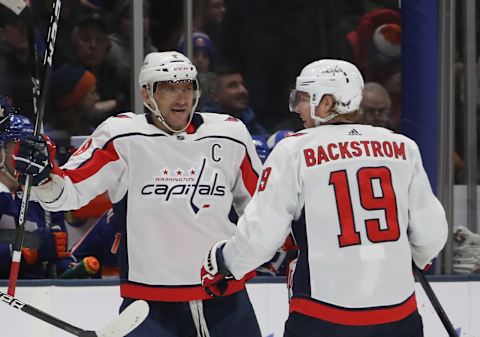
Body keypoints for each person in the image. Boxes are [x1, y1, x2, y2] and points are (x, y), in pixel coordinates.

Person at [13, 51, 263, 337]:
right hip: (149, 306)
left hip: (225, 299)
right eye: (168, 88)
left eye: (187, 87)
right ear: (147, 94)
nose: (181, 98)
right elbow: (67, 193)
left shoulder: (230, 134)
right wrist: (44, 175)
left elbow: (260, 209)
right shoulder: (121, 137)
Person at [200, 59, 449, 337]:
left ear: (328, 102)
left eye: (304, 99)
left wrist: (225, 261)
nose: (297, 108)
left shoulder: (294, 150)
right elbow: (432, 235)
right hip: (398, 315)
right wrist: (408, 260)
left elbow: (260, 238)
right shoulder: (404, 147)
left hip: (324, 315)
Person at [0, 103, 74, 279]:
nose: (28, 155)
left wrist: (69, 268)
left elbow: (58, 251)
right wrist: (25, 249)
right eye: (19, 146)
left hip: (40, 294)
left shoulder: (41, 195)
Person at [202, 66, 268, 137]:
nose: (243, 90)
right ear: (215, 96)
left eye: (243, 84)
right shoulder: (205, 125)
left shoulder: (250, 120)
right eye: (233, 86)